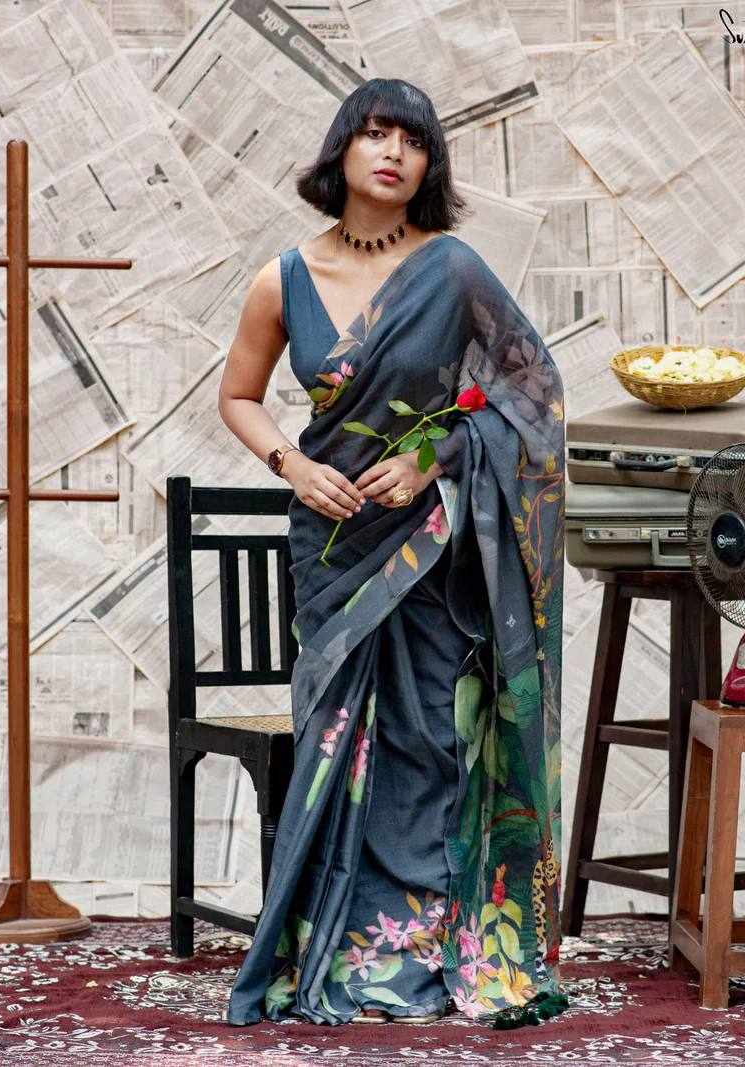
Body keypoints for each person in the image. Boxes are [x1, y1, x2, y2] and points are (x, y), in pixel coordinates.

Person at [217, 77, 568, 1029]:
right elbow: (238, 396)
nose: (392, 153)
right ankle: (330, 945)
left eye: (412, 141)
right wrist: (292, 466)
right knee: (337, 742)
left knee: (424, 740)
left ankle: (419, 949)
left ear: (428, 166)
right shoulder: (282, 279)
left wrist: (432, 459)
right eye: (375, 133)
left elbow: (532, 394)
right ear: (342, 149)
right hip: (331, 549)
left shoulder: (452, 271)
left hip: (428, 544)